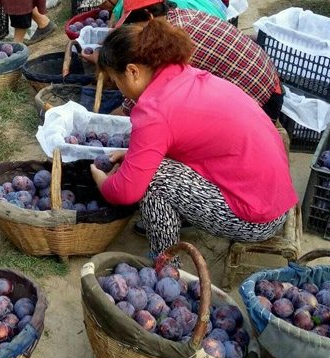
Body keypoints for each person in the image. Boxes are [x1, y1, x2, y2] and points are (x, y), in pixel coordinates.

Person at [89, 19, 297, 263]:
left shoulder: (154, 110)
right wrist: (134, 158)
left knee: (154, 181)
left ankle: (166, 266)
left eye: (116, 80)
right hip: (275, 198)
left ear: (132, 71)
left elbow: (125, 192)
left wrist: (103, 182)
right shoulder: (186, 75)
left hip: (256, 219)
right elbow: (190, 141)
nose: (120, 89)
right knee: (154, 169)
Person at [112, 0, 284, 121]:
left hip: (262, 102)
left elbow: (149, 91)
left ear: (149, 16)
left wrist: (113, 116)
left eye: (133, 24)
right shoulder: (178, 16)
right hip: (269, 85)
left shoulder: (170, 38)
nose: (133, 31)